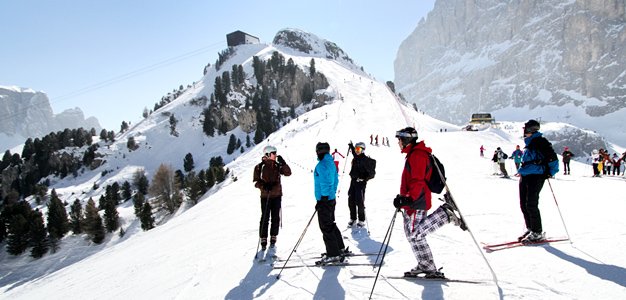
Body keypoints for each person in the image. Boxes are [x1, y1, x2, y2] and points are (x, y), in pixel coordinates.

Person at [393, 127, 463, 278]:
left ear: (406, 140)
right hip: (411, 200)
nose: (398, 142)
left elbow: (417, 180)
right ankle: (426, 265)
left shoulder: (417, 155)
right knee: (411, 234)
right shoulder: (413, 154)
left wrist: (409, 198)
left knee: (415, 234)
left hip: (417, 200)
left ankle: (445, 214)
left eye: (399, 139)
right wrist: (402, 198)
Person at [517, 120, 559, 244]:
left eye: (526, 130)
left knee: (531, 203)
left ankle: (537, 232)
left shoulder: (540, 142)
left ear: (531, 130)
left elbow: (552, 158)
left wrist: (550, 172)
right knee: (523, 204)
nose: (524, 132)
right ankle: (531, 228)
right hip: (525, 175)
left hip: (536, 175)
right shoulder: (530, 142)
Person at [314, 142, 349, 264]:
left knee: (325, 226)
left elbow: (325, 183)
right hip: (330, 198)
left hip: (325, 200)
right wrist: (330, 194)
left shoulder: (321, 165)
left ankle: (333, 254)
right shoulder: (331, 163)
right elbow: (335, 180)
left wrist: (323, 199)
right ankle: (339, 248)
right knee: (331, 223)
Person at [253, 145, 291, 250]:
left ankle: (273, 236)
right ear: (268, 154)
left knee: (275, 217)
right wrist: (264, 186)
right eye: (274, 153)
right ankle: (263, 237)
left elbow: (288, 173)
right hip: (266, 196)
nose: (276, 155)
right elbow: (256, 182)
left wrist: (283, 163)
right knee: (265, 217)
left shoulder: (278, 166)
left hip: (277, 195)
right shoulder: (259, 167)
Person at [347, 142, 375, 227]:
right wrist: (351, 147)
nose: (356, 151)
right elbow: (353, 153)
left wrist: (364, 178)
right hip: (353, 182)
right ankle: (353, 218)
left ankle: (361, 219)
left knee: (360, 201)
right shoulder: (356, 157)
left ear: (362, 150)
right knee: (351, 200)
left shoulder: (365, 160)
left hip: (360, 183)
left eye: (358, 149)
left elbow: (372, 173)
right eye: (356, 149)